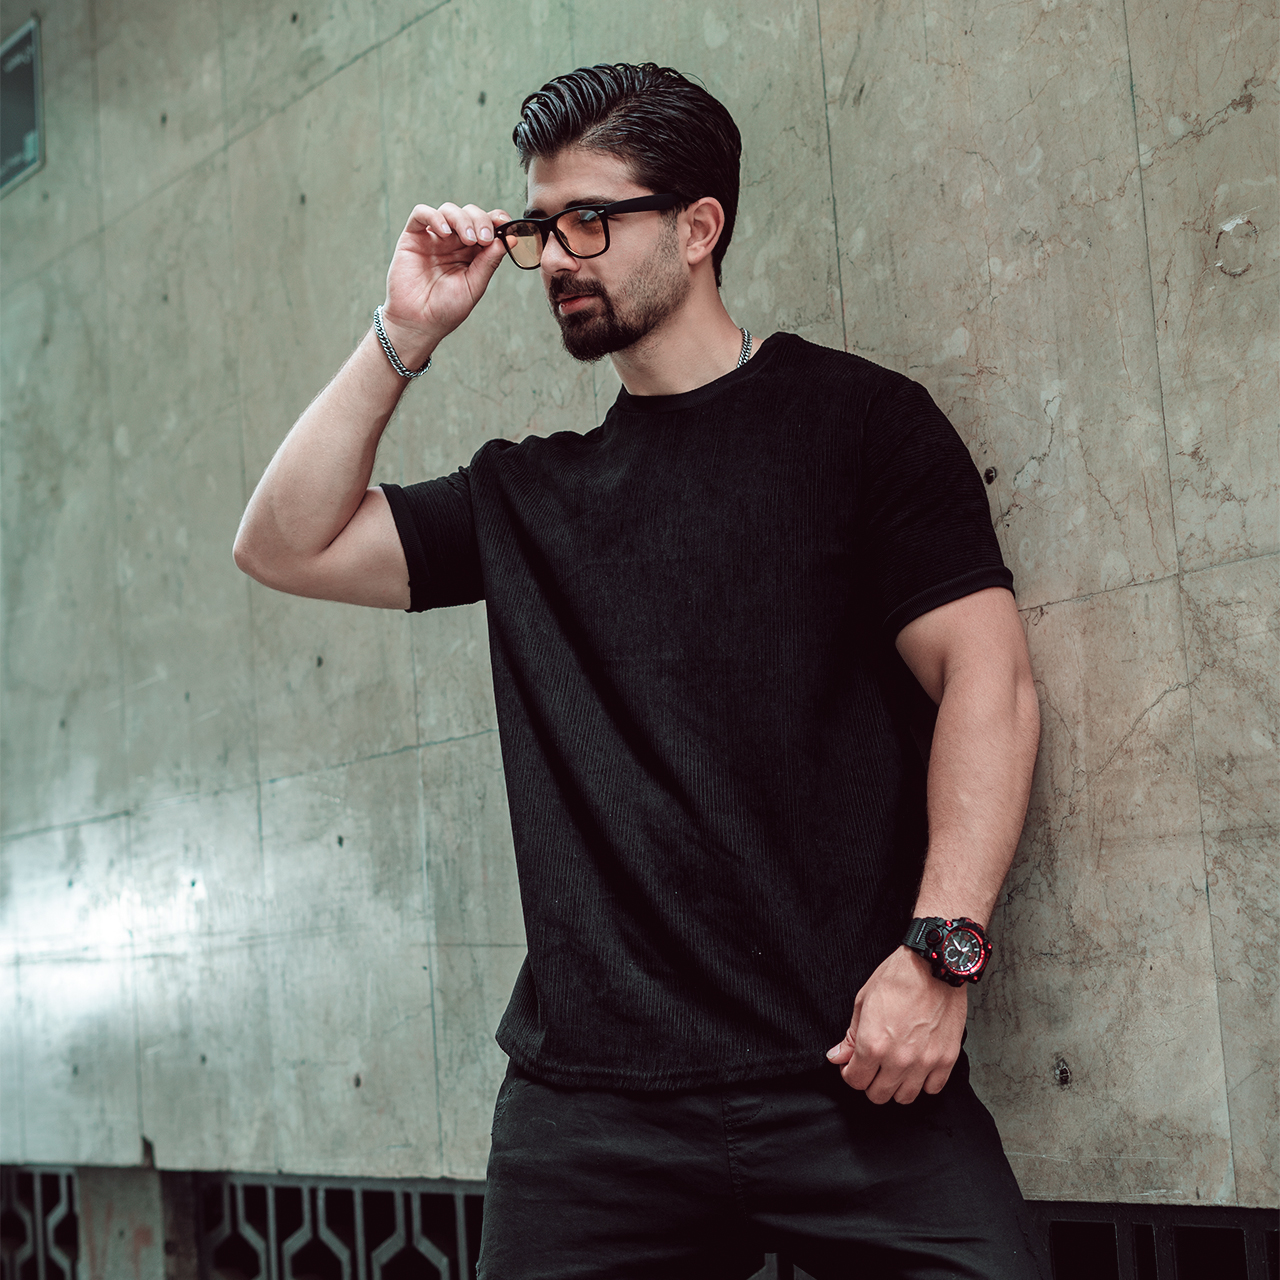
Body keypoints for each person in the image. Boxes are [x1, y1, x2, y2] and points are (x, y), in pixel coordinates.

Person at [234, 62, 1044, 1280]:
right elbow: (282, 543)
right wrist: (405, 332)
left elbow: (989, 684)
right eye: (538, 226)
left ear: (697, 227)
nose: (553, 257)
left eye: (589, 219)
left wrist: (939, 955)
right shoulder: (526, 498)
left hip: (849, 1065)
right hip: (591, 1115)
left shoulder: (861, 425)